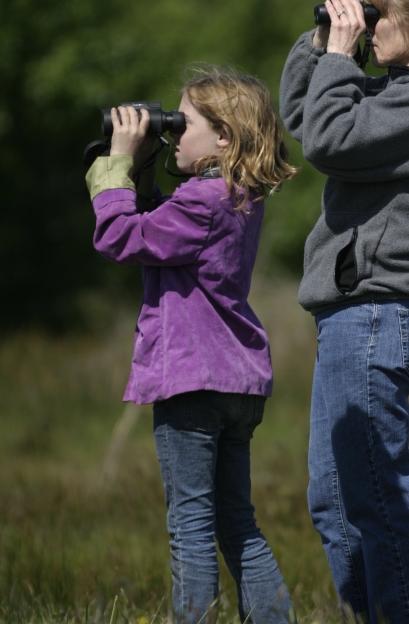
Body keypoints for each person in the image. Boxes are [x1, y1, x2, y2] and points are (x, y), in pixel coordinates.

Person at [279, 0, 409, 623]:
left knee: (377, 495)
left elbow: (329, 139)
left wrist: (339, 56)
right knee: (334, 500)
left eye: (381, 15)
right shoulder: (391, 94)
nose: (371, 25)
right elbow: (305, 117)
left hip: (376, 318)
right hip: (350, 321)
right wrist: (321, 42)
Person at [85, 66, 297, 624]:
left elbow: (122, 236)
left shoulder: (201, 201)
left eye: (185, 123)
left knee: (191, 525)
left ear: (224, 136)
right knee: (236, 522)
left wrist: (115, 167)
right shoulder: (236, 197)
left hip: (194, 382)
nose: (174, 132)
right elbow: (160, 233)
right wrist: (145, 163)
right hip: (236, 381)